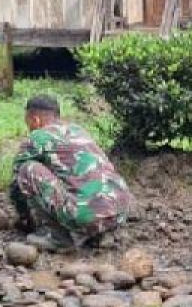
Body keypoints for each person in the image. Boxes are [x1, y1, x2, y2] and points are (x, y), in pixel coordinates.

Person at [9, 95, 132, 251]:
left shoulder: (38, 137)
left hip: (85, 216)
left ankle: (57, 237)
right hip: (120, 210)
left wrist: (25, 220)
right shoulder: (78, 131)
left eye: (28, 124)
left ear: (35, 120)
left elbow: (16, 186)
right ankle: (102, 234)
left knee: (27, 169)